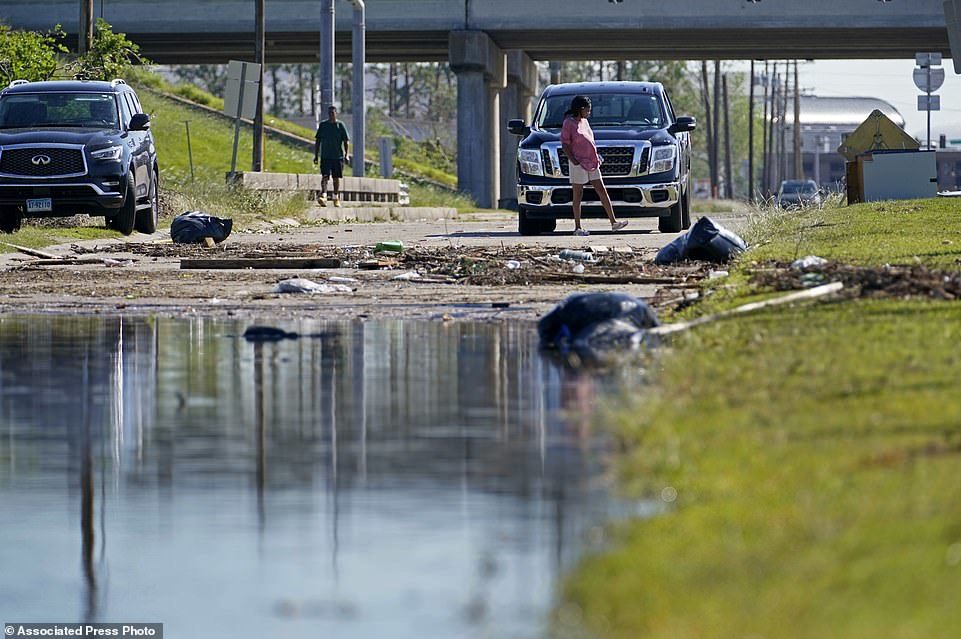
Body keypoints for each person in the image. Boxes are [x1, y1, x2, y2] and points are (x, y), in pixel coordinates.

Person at [560, 95, 628, 236]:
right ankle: (577, 228)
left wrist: (596, 156)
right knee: (578, 195)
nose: (589, 113)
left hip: (592, 161)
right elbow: (565, 144)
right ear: (581, 109)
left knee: (602, 190)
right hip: (578, 163)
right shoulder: (568, 123)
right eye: (588, 110)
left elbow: (590, 140)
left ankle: (614, 222)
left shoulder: (585, 122)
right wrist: (573, 160)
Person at [313, 105, 350, 207]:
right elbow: (318, 141)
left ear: (336, 114)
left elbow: (346, 141)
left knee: (336, 178)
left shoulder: (340, 125)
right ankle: (324, 195)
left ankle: (335, 197)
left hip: (337, 156)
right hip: (325, 156)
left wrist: (346, 154)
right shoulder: (323, 125)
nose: (331, 115)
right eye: (329, 113)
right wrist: (316, 155)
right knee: (325, 176)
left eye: (333, 113)